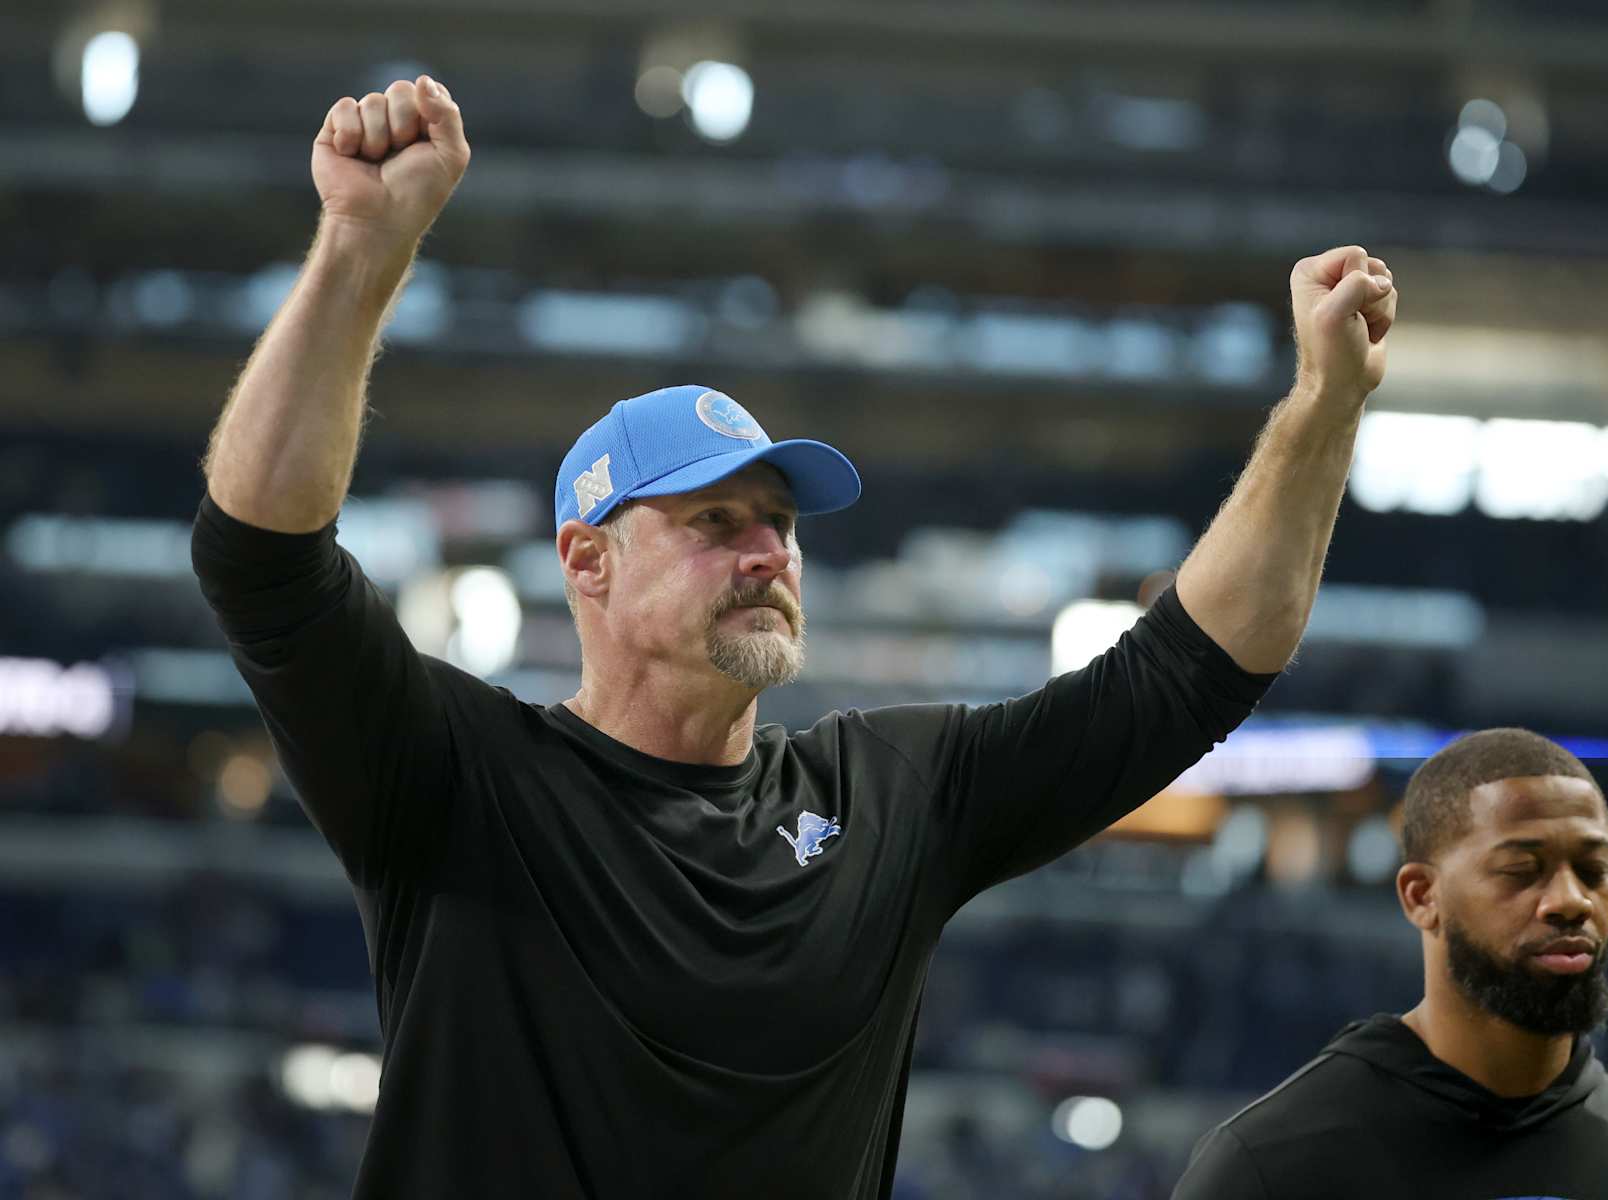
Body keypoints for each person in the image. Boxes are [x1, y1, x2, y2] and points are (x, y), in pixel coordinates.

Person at [190, 75, 1398, 1199]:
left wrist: (1324, 405)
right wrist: (360, 251)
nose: (768, 553)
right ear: (586, 560)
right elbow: (262, 559)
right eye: (715, 522)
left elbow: (1198, 668)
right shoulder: (456, 778)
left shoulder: (892, 795)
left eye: (778, 523)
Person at [1171, 727, 1608, 1200]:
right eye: (1522, 870)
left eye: (1593, 870)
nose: (1572, 900)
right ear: (1421, 896)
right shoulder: (1269, 1165)